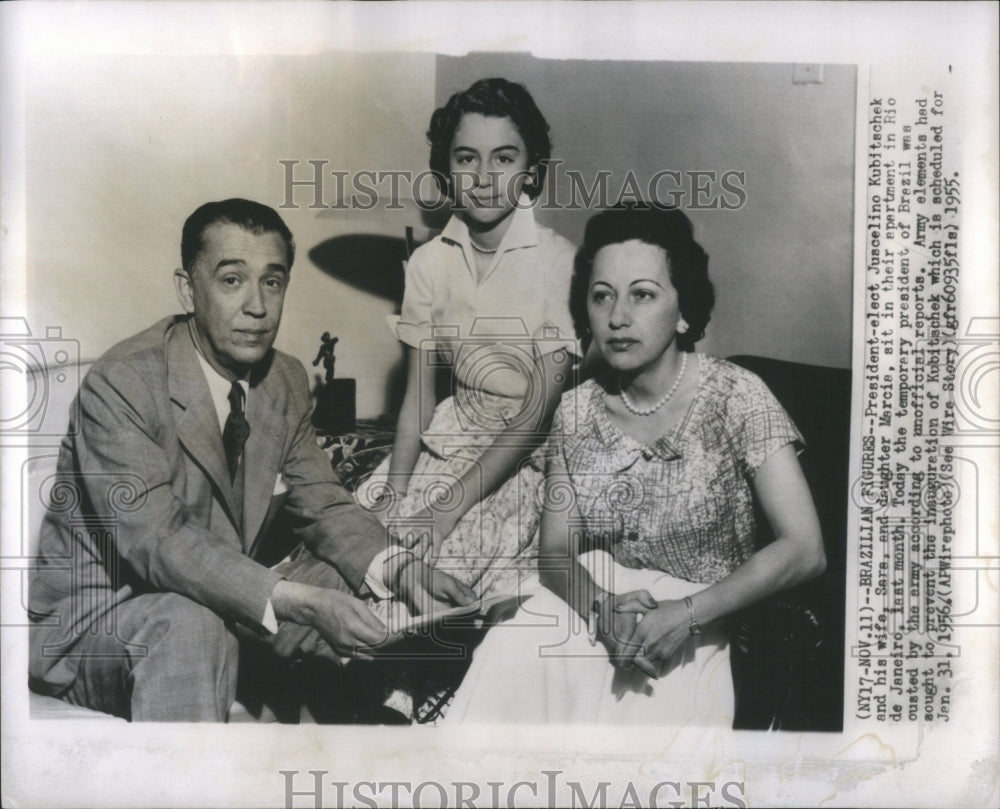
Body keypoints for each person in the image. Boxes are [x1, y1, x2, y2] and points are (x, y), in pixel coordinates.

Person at [28, 198, 474, 722]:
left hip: (210, 603)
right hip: (100, 624)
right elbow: (158, 541)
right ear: (187, 288)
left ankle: (349, 769)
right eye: (232, 280)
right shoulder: (122, 382)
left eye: (273, 281)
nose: (257, 307)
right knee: (193, 624)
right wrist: (298, 603)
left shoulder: (282, 379)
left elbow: (325, 505)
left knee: (347, 587)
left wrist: (402, 570)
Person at [446, 203, 826, 724]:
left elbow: (805, 550)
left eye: (643, 294)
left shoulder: (739, 397)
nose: (618, 317)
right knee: (511, 671)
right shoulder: (577, 409)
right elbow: (556, 551)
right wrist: (601, 609)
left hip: (705, 615)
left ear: (684, 307)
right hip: (597, 605)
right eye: (602, 296)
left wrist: (686, 616)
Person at [356, 78, 580, 598]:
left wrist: (445, 509)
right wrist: (395, 487)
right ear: (446, 169)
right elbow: (418, 395)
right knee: (360, 549)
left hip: (526, 455)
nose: (482, 178)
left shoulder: (560, 263)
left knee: (439, 578)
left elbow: (539, 413)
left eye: (503, 159)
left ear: (530, 171)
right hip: (447, 434)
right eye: (466, 158)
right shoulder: (428, 262)